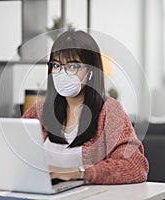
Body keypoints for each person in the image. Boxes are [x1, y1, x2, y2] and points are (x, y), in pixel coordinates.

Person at [22, 30, 149, 184]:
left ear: (90, 72)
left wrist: (79, 172)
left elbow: (135, 166)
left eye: (73, 66)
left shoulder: (109, 112)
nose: (62, 73)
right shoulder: (38, 112)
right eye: (56, 65)